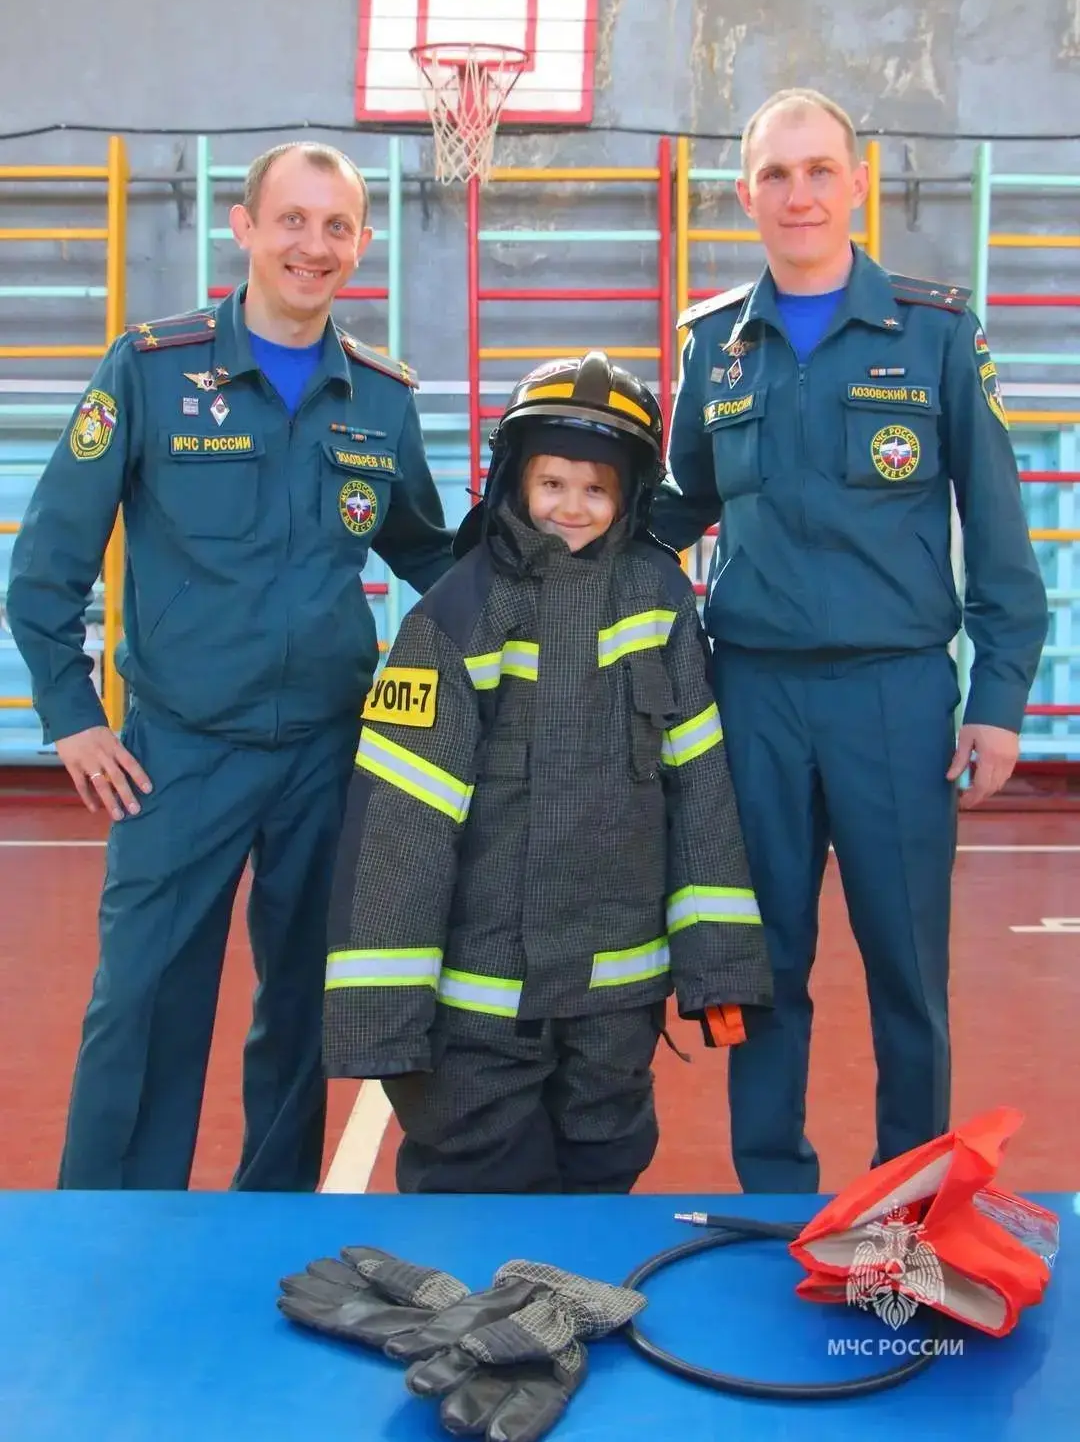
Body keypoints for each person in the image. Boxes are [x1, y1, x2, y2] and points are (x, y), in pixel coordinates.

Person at [7, 141, 456, 1191]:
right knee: (144, 999)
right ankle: (112, 1221)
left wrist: (552, 584)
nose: (313, 246)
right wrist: (73, 715)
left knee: (303, 1003)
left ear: (361, 243)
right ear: (245, 227)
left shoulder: (379, 397)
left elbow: (432, 557)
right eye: (292, 220)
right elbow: (47, 563)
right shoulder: (151, 371)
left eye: (336, 226)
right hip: (179, 753)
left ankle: (272, 1215)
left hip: (326, 758)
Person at [648, 88, 1049, 1194]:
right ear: (747, 196)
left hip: (894, 694)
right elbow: (681, 502)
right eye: (777, 175)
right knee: (762, 960)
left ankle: (908, 1195)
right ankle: (775, 1190)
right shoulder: (713, 344)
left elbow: (998, 528)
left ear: (857, 183)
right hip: (754, 698)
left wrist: (999, 698)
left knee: (907, 967)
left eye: (820, 170)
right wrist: (562, 523)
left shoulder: (937, 333)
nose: (801, 194)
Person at [321, 351, 774, 1194]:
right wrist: (384, 1015)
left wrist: (718, 964)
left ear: (631, 496)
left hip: (615, 1001)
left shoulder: (660, 600)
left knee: (605, 1168)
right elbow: (402, 826)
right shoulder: (457, 615)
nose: (573, 506)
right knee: (478, 1189)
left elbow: (701, 792)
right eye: (553, 483)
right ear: (514, 481)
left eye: (596, 488)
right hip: (483, 1006)